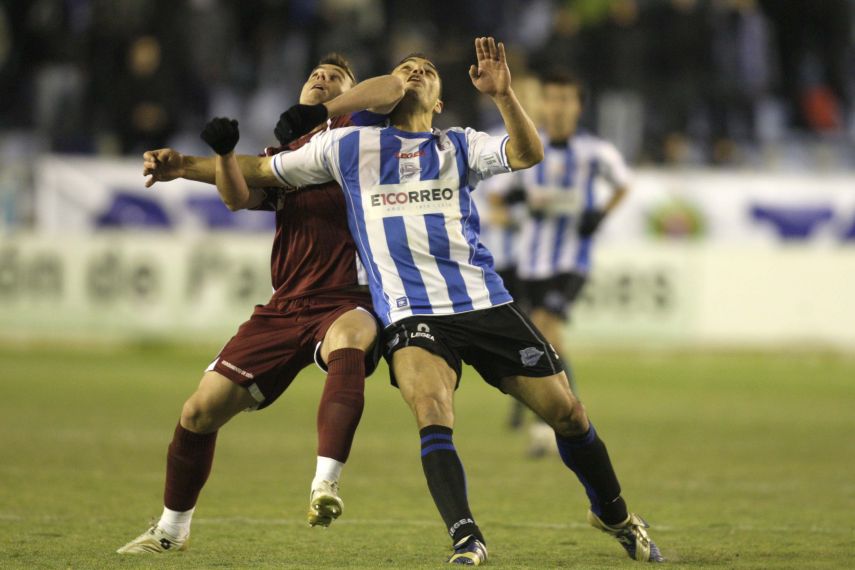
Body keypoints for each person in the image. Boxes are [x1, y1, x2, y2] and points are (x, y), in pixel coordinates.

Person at [203, 37, 663, 565]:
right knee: (431, 409)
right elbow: (259, 175)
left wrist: (505, 95)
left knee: (568, 413)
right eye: (406, 68)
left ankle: (613, 512)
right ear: (387, 93)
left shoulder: (459, 145)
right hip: (410, 313)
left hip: (482, 302)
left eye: (427, 69)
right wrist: (184, 165)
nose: (417, 71)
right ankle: (467, 538)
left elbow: (528, 153)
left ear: (440, 101)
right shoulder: (348, 149)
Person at [116, 54, 406, 554]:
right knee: (198, 412)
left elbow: (393, 88)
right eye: (315, 74)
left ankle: (325, 483)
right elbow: (238, 196)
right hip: (285, 306)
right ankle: (171, 530)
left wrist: (334, 105)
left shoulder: (367, 141)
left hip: (348, 298)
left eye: (337, 76)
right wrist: (225, 154)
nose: (322, 78)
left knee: (353, 339)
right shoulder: (282, 156)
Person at [514, 69, 631, 455]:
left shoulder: (593, 151)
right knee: (540, 339)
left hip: (570, 262)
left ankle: (560, 423)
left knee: (547, 332)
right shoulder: (529, 146)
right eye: (553, 99)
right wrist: (516, 205)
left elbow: (624, 184)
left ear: (579, 107)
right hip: (530, 262)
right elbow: (499, 196)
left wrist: (599, 214)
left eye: (567, 100)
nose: (559, 107)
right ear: (543, 104)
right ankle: (562, 417)